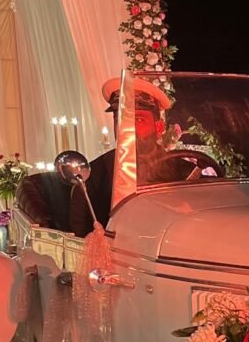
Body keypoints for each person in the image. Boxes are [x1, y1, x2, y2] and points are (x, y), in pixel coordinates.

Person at [68, 77, 175, 236]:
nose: (128, 129)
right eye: (121, 119)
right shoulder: (92, 176)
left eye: (139, 119)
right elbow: (81, 237)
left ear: (158, 127)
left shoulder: (183, 172)